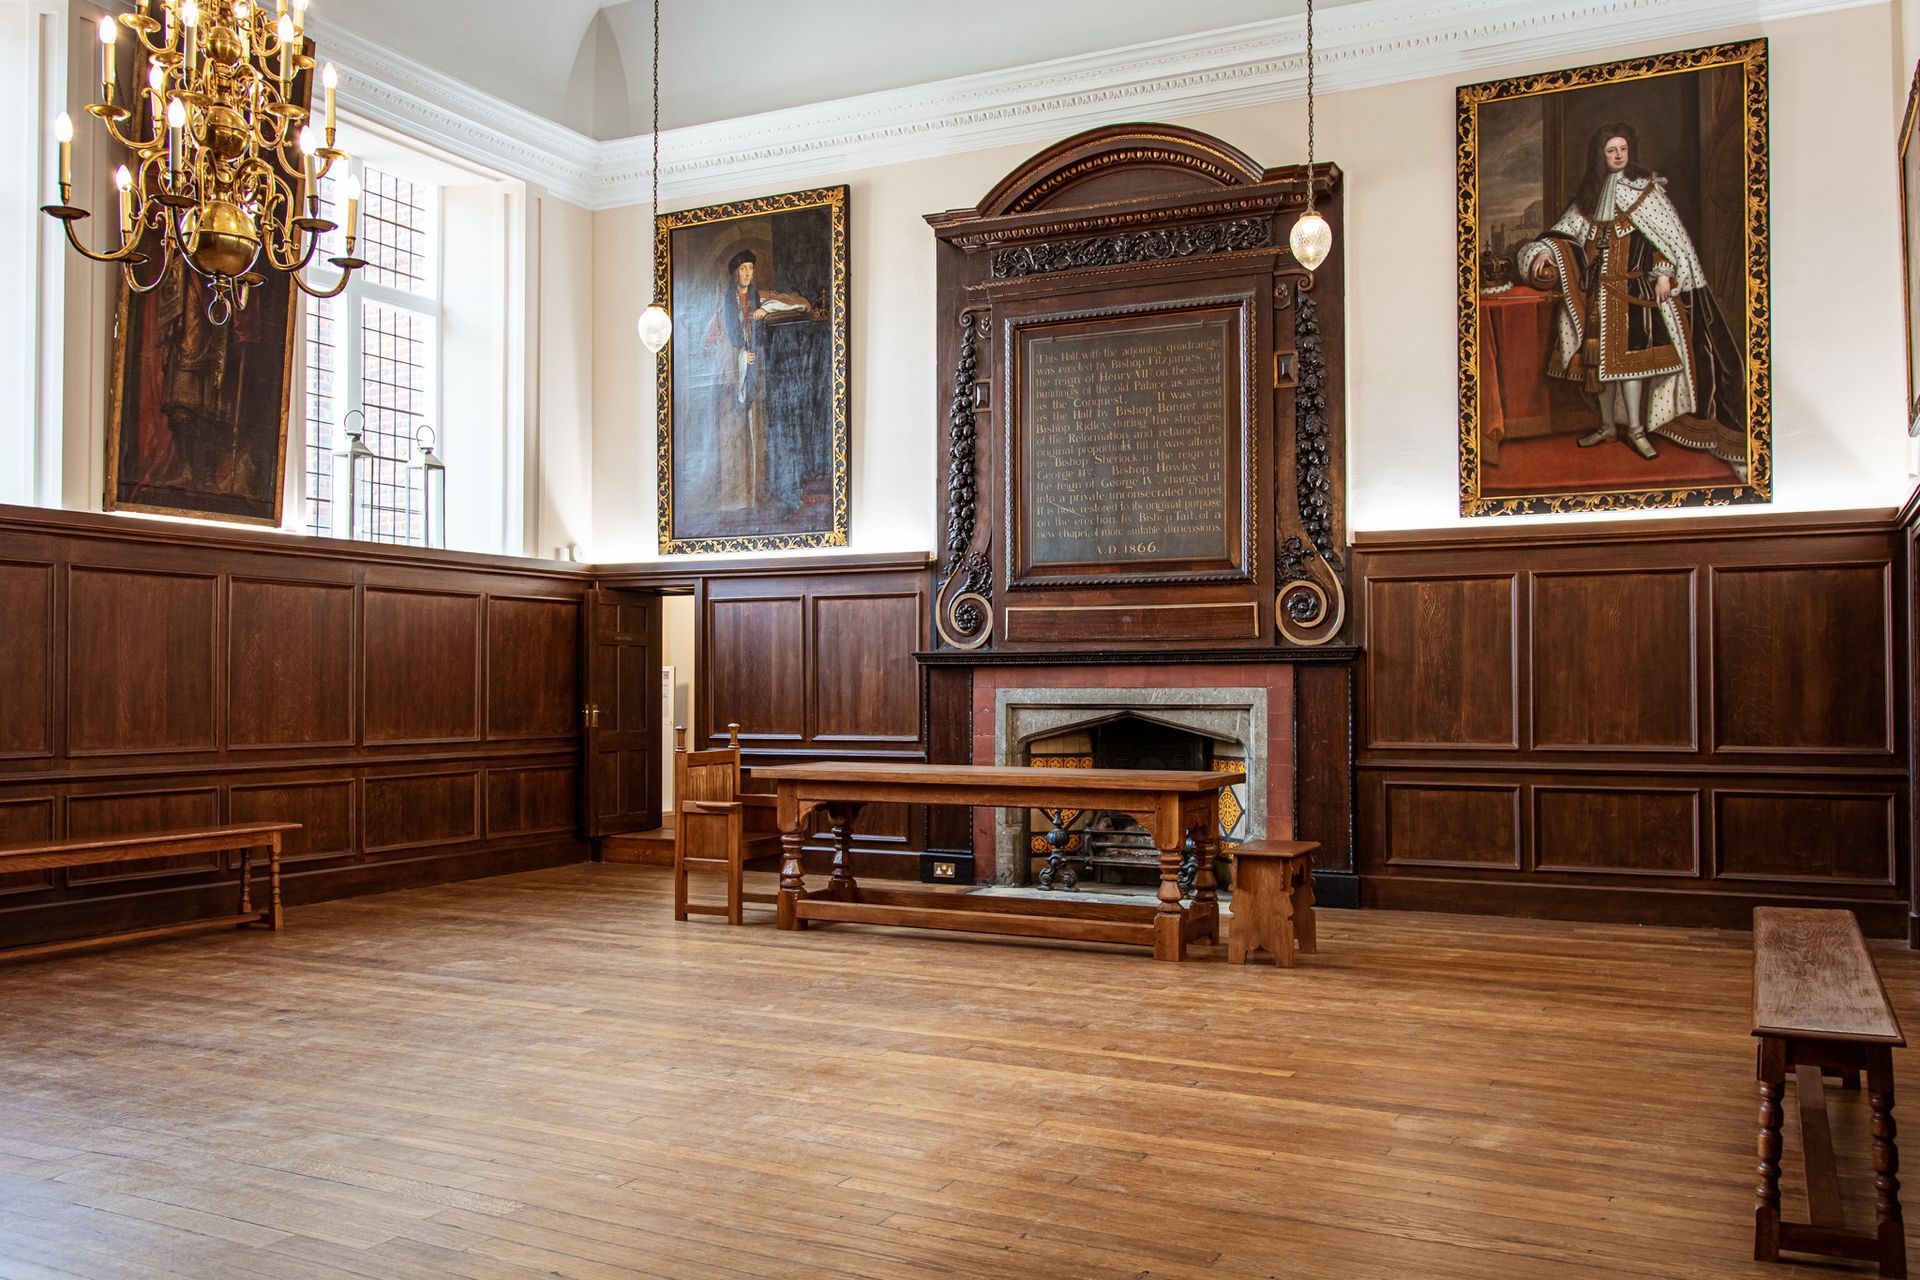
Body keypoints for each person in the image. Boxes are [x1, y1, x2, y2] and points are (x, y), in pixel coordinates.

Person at [1515, 123, 1748, 478]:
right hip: (1597, 295)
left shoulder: (1647, 191)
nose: (1618, 155)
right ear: (1601, 155)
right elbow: (1563, 234)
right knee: (1599, 367)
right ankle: (1608, 426)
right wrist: (1544, 253)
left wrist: (1666, 273)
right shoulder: (1590, 197)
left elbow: (1667, 242)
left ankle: (1637, 431)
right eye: (1611, 150)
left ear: (1631, 150)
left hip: (1634, 295)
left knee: (1631, 367)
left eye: (1623, 148)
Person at [703, 250, 809, 509]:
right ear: (734, 273)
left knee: (758, 433)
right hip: (734, 380)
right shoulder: (723, 308)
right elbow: (707, 345)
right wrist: (738, 355)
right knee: (735, 437)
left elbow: (799, 304)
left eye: (750, 268)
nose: (747, 273)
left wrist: (764, 312)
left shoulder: (760, 298)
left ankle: (759, 497)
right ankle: (737, 498)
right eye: (742, 269)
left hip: (758, 375)